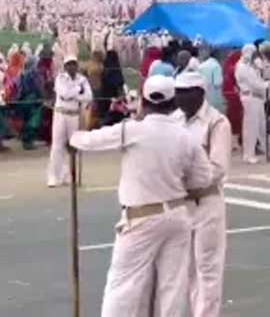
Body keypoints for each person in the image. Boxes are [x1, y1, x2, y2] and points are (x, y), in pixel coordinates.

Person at [69, 75, 212, 316]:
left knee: (123, 286)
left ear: (144, 102)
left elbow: (91, 141)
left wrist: (73, 139)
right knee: (172, 287)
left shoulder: (133, 130)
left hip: (141, 218)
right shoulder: (186, 136)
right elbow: (203, 179)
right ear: (173, 103)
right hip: (177, 214)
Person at [174, 71, 231, 317]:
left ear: (199, 94)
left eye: (185, 93)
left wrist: (183, 178)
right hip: (181, 205)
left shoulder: (216, 123)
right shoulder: (175, 120)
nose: (180, 99)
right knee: (187, 269)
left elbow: (217, 169)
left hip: (206, 202)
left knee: (207, 269)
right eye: (177, 93)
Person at [46, 55, 92, 188]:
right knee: (57, 145)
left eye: (74, 64)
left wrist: (76, 95)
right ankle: (54, 176)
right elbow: (64, 94)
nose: (71, 67)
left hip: (74, 115)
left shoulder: (82, 79)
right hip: (61, 114)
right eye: (69, 64)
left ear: (77, 66)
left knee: (73, 146)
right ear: (65, 66)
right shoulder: (60, 78)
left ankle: (69, 175)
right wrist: (78, 91)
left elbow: (88, 97)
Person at [234, 44, 267, 164]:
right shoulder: (242, 67)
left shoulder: (249, 65)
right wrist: (266, 85)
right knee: (251, 128)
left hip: (256, 98)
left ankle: (265, 148)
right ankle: (249, 154)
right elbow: (255, 84)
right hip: (251, 98)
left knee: (261, 126)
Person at [16, 55, 44, 150]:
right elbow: (37, 86)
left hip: (23, 99)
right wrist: (42, 96)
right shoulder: (33, 73)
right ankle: (29, 142)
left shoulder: (22, 73)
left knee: (26, 120)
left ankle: (26, 141)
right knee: (33, 121)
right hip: (33, 99)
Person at [198, 47, 225, 113]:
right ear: (219, 56)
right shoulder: (216, 66)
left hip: (202, 96)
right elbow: (217, 83)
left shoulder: (201, 66)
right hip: (214, 97)